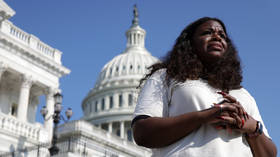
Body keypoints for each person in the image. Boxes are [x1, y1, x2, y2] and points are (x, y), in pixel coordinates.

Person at [132, 17, 277, 157]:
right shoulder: (166, 77)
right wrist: (206, 115)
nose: (217, 37)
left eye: (222, 35)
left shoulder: (242, 93)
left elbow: (269, 154)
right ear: (190, 43)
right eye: (207, 32)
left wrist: (253, 128)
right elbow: (142, 133)